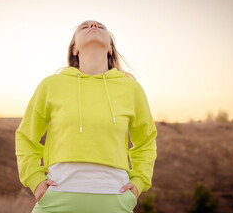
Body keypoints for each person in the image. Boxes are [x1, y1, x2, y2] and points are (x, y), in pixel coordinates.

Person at [15, 20, 157, 213]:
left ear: (110, 49)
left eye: (100, 26)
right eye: (84, 26)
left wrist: (140, 181)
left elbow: (146, 141)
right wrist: (34, 179)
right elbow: (25, 136)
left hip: (114, 200)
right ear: (74, 49)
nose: (92, 26)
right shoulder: (51, 85)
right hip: (57, 198)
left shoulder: (131, 89)